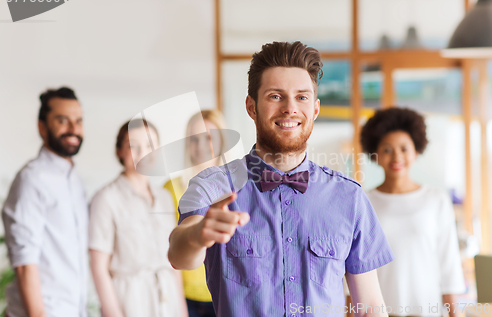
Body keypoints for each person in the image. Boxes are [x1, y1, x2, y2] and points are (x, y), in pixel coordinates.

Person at [168, 41, 395, 317]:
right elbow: (179, 255)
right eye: (276, 96)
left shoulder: (350, 198)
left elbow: (370, 306)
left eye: (301, 97)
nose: (290, 108)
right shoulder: (212, 187)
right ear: (252, 107)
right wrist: (198, 234)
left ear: (315, 109)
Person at [360, 107, 465, 317]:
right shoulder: (364, 203)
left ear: (416, 151)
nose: (396, 156)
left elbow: (449, 265)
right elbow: (357, 268)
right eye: (387, 149)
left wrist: (456, 313)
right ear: (376, 155)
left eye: (404, 149)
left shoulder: (436, 200)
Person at [2, 87, 88, 317]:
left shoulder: (76, 181)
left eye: (78, 121)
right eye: (63, 120)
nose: (73, 129)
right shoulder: (32, 179)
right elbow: (24, 264)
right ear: (42, 127)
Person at [89, 119, 188, 317]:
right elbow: (98, 267)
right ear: (119, 151)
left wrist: (182, 309)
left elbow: (173, 260)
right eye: (133, 146)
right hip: (131, 302)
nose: (144, 152)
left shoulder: (164, 197)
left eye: (150, 145)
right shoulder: (106, 199)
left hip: (168, 302)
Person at [164, 110, 225, 317]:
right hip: (187, 300)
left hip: (226, 295)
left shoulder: (238, 187)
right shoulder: (171, 189)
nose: (200, 146)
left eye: (208, 137)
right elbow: (169, 250)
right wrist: (178, 304)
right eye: (194, 139)